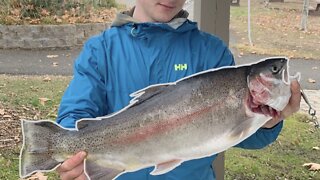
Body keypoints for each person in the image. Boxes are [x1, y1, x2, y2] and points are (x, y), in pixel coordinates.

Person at [56, 0, 301, 179]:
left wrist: (268, 120)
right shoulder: (102, 49)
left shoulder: (211, 52)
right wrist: (70, 157)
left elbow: (242, 135)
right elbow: (75, 115)